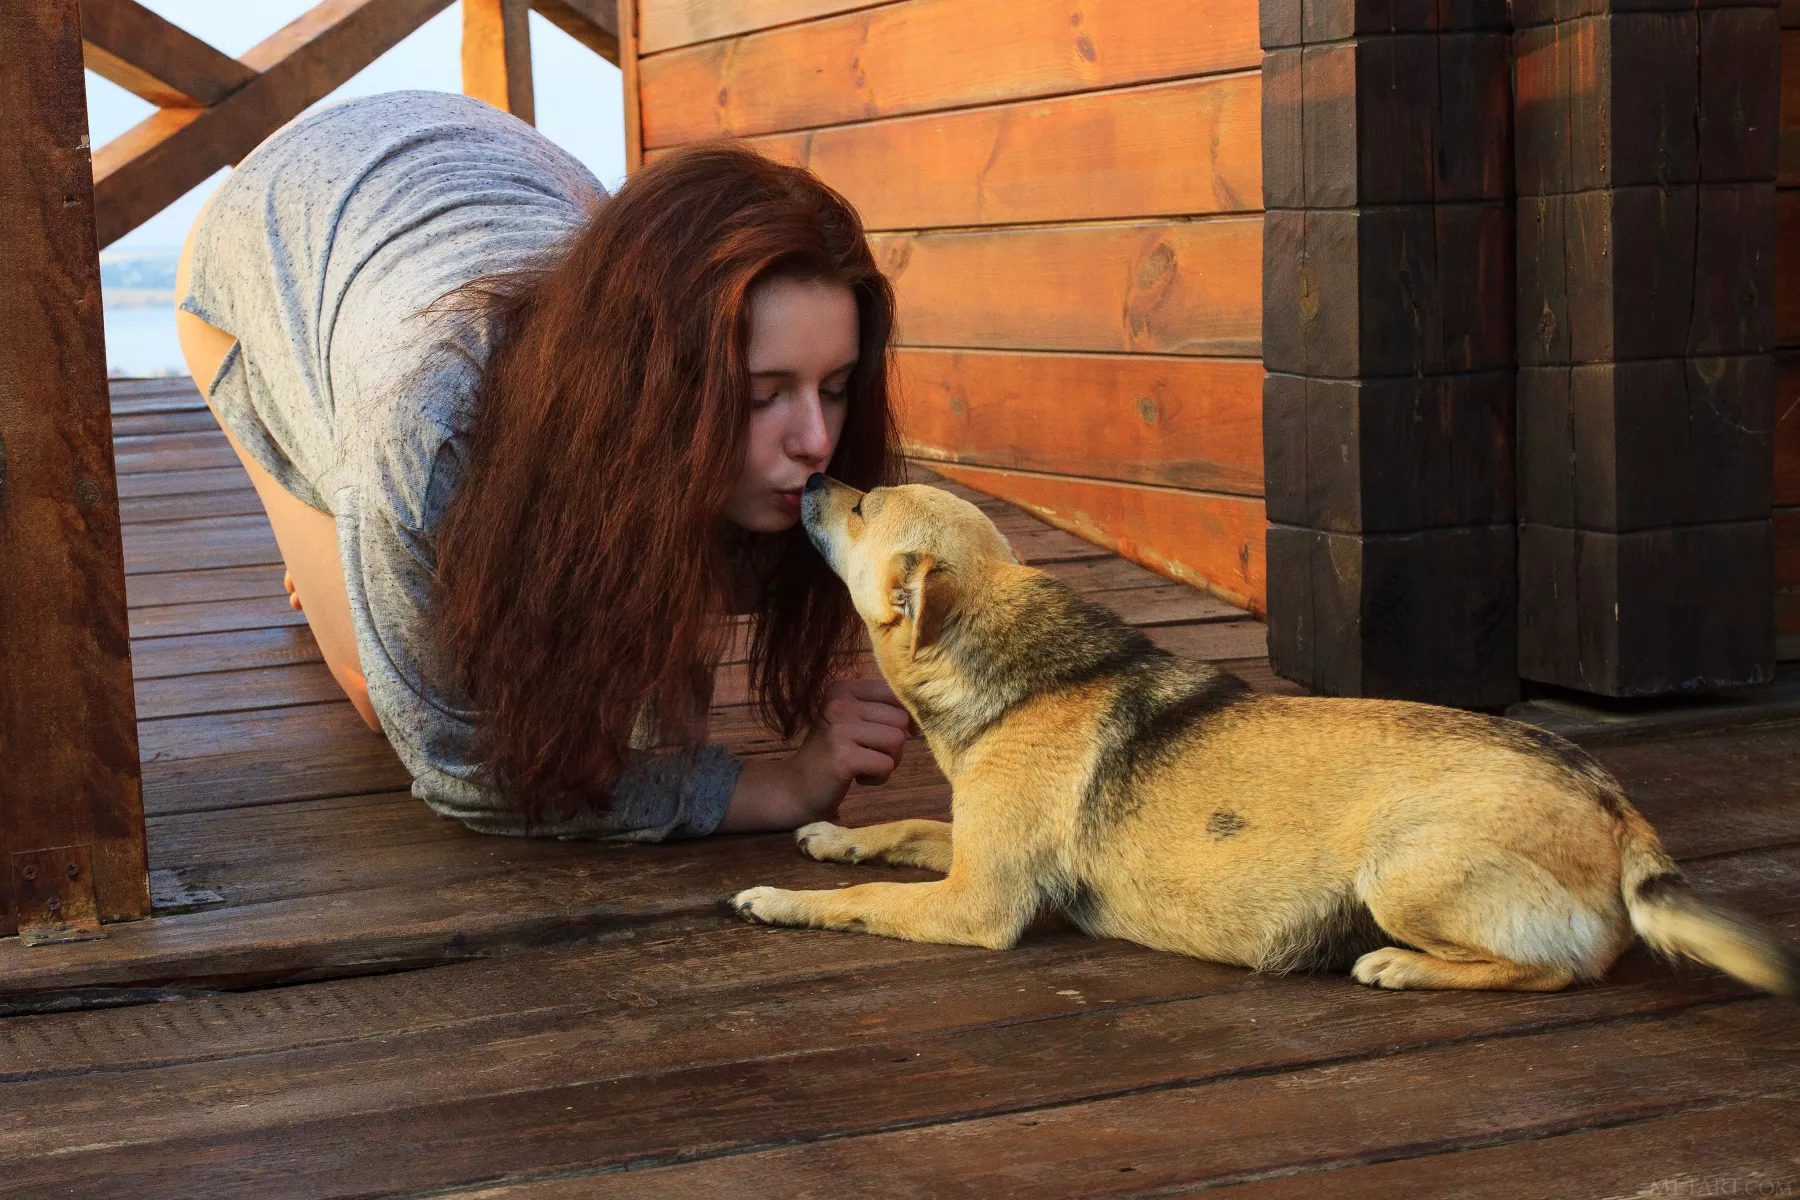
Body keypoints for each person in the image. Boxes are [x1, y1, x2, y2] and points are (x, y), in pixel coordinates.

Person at [173, 90, 912, 840]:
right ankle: (351, 535)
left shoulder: (645, 349)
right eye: (761, 396)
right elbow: (461, 762)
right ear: (650, 380)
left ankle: (372, 549)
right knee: (378, 696)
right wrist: (779, 790)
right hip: (266, 234)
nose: (816, 441)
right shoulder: (430, 433)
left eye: (835, 387)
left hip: (488, 162)